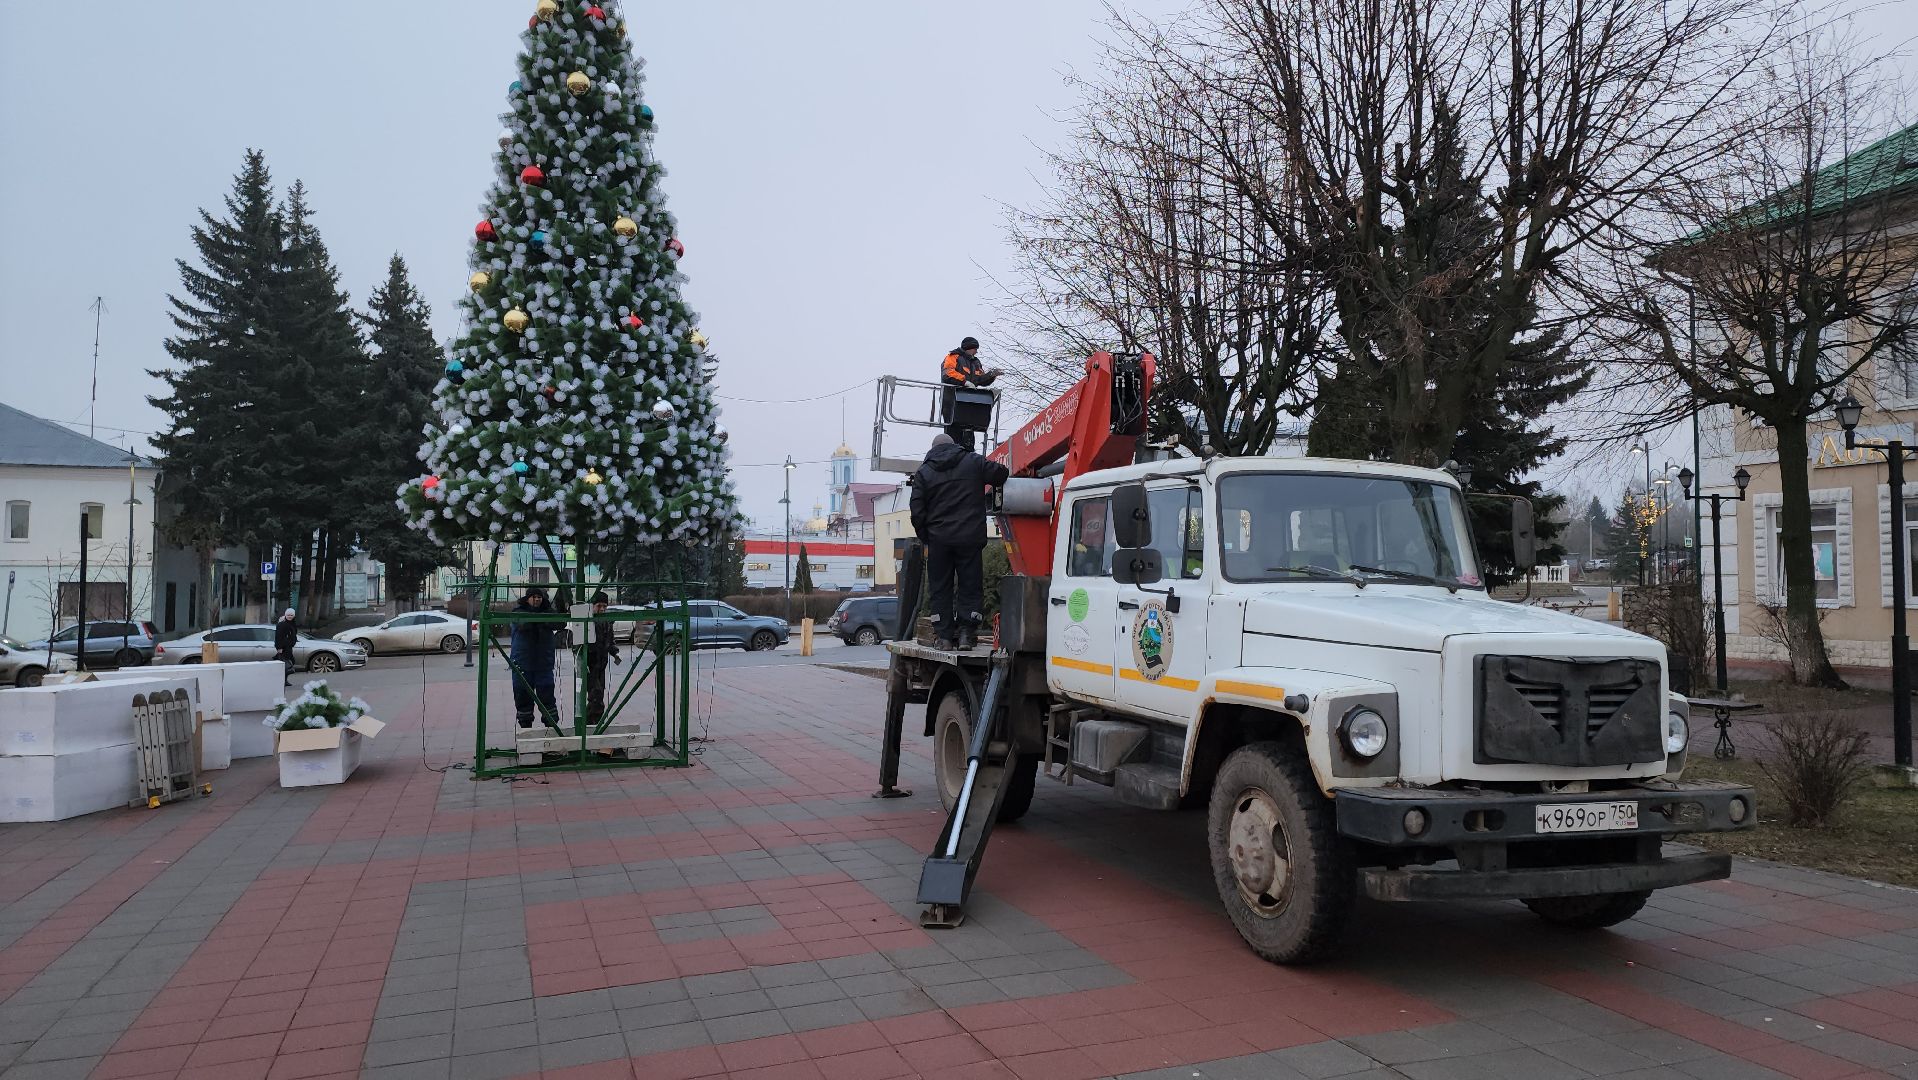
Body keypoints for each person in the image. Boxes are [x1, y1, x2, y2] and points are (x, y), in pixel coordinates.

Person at [910, 432, 1010, 650]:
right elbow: (1001, 473)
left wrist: (927, 536)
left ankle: (944, 638)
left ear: (932, 450)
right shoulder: (972, 461)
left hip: (939, 541)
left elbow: (916, 511)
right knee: (970, 585)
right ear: (954, 445)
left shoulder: (924, 472)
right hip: (969, 537)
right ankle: (966, 635)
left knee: (940, 588)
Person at [509, 587, 561, 728]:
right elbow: (524, 624)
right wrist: (544, 619)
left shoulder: (548, 612)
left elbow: (560, 623)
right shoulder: (518, 612)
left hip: (543, 664)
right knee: (523, 697)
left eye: (539, 597)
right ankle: (526, 728)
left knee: (547, 697)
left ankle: (551, 728)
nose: (537, 599)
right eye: (534, 597)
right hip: (523, 664)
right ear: (528, 598)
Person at [938, 336, 998, 450]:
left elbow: (980, 379)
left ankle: (967, 454)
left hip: (969, 405)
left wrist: (991, 375)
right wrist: (964, 381)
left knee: (969, 438)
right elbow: (947, 374)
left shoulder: (976, 362)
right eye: (975, 349)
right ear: (969, 347)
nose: (976, 351)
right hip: (952, 403)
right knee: (953, 435)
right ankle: (952, 454)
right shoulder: (953, 357)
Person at [585, 591, 622, 723]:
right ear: (592, 606)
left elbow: (610, 641)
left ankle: (591, 723)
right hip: (589, 665)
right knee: (596, 697)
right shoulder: (587, 621)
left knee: (598, 696)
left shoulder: (606, 622)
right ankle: (592, 723)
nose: (602, 609)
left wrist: (615, 653)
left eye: (604, 606)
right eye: (599, 606)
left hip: (601, 665)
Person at [274, 608, 298, 685]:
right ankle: (282, 681)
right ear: (285, 615)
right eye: (288, 615)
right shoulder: (282, 624)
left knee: (289, 664)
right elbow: (278, 637)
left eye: (291, 615)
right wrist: (279, 647)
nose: (290, 616)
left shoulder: (292, 623)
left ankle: (284, 680)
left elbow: (293, 634)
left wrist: (293, 641)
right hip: (283, 648)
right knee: (286, 664)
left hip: (289, 647)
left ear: (294, 616)